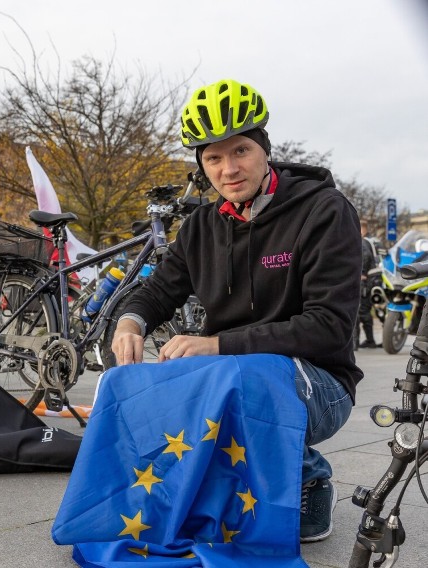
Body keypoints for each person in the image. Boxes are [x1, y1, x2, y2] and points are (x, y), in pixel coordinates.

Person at [111, 79, 362, 543]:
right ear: (202, 164)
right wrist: (131, 321)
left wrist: (216, 344)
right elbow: (157, 291)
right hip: (232, 374)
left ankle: (309, 477)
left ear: (265, 149)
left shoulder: (324, 211)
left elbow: (328, 327)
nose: (229, 169)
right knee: (149, 379)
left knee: (235, 376)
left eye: (241, 151)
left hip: (320, 384)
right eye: (213, 158)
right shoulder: (201, 227)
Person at [356, 219, 379, 348]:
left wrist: (360, 273)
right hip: (373, 280)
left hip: (364, 281)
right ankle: (370, 340)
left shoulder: (363, 242)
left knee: (361, 311)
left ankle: (358, 342)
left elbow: (364, 257)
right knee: (365, 310)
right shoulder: (373, 241)